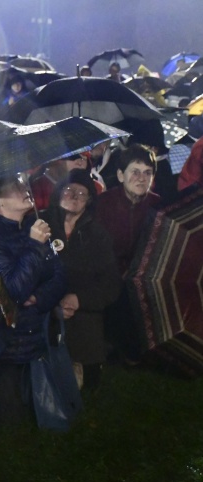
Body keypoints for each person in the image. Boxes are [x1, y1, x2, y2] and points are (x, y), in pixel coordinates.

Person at [0, 175, 65, 423]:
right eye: (16, 186)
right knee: (10, 417)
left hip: (33, 332)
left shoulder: (30, 225)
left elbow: (60, 274)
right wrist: (35, 246)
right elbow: (12, 293)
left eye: (23, 182)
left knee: (34, 409)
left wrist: (38, 297)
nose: (24, 187)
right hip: (3, 342)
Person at [43, 170, 121, 389]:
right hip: (44, 307)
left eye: (82, 193)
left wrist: (80, 299)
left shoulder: (98, 235)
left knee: (88, 383)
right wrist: (52, 303)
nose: (75, 196)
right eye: (69, 190)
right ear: (58, 193)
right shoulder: (38, 225)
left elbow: (111, 285)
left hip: (80, 310)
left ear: (89, 201)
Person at [96, 144, 160, 364]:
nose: (141, 178)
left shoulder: (158, 206)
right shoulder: (103, 204)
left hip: (144, 277)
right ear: (121, 175)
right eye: (135, 171)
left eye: (147, 173)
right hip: (109, 275)